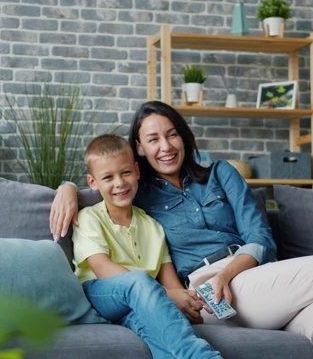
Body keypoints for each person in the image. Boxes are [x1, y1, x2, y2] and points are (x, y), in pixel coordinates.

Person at [51, 101, 313, 359]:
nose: (165, 146)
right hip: (206, 292)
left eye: (172, 134)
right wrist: (66, 187)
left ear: (185, 137)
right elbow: (104, 180)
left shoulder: (222, 174)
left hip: (254, 277)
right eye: (153, 139)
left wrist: (230, 272)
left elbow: (261, 239)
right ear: (140, 151)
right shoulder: (139, 192)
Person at [72, 133, 221, 359]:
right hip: (102, 295)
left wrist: (186, 300)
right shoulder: (89, 218)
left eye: (125, 173)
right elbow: (102, 269)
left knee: (159, 337)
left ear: (137, 171)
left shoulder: (153, 226)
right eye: (108, 177)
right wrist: (168, 295)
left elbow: (170, 283)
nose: (120, 183)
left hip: (141, 306)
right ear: (93, 183)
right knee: (140, 281)